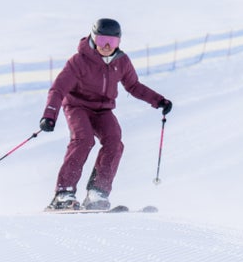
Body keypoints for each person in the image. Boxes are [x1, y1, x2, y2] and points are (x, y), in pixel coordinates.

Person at [39, 18, 172, 210]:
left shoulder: (122, 62)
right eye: (102, 41)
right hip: (78, 107)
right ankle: (63, 193)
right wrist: (49, 115)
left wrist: (158, 100)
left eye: (113, 42)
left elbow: (133, 86)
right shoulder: (79, 61)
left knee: (114, 142)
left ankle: (97, 193)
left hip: (103, 110)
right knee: (83, 140)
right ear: (93, 38)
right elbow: (58, 89)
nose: (107, 46)